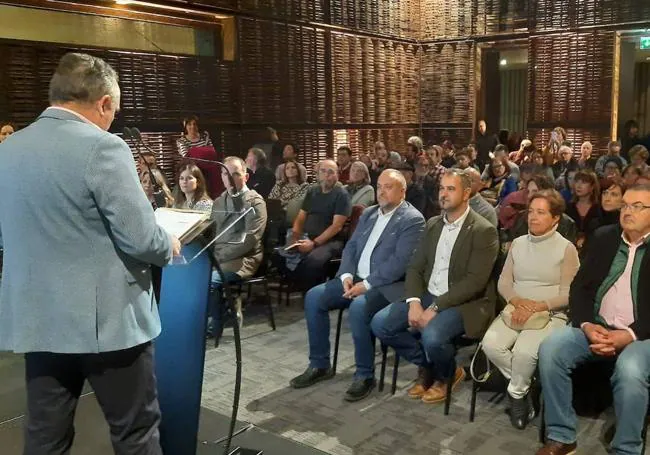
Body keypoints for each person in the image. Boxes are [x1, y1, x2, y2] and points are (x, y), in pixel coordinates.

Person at [0, 52, 181, 453]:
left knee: (45, 435)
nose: (112, 120)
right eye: (112, 111)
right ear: (103, 103)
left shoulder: (8, 151)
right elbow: (141, 238)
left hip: (39, 320)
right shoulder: (103, 147)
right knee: (135, 430)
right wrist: (167, 243)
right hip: (107, 326)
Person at [290, 170, 425, 401]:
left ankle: (364, 375)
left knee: (359, 307)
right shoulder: (369, 213)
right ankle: (320, 364)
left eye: (388, 187)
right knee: (314, 297)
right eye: (379, 186)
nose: (381, 191)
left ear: (402, 191)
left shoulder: (412, 219)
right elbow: (351, 247)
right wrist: (345, 275)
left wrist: (368, 284)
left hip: (386, 286)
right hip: (355, 279)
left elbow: (400, 263)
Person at [535, 183, 650, 455]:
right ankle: (562, 436)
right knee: (551, 348)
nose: (628, 211)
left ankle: (626, 448)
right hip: (596, 326)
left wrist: (629, 335)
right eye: (625, 205)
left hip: (642, 335)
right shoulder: (604, 237)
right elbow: (580, 288)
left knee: (631, 369)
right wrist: (587, 324)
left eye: (637, 206)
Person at [371, 169, 499, 404]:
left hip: (464, 302)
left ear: (467, 193)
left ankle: (447, 375)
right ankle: (429, 365)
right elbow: (415, 268)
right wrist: (414, 303)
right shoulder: (432, 224)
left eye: (451, 189)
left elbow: (475, 282)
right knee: (381, 323)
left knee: (432, 335)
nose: (444, 194)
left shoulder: (483, 230)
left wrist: (436, 307)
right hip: (429, 294)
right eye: (442, 188)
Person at [482, 189, 579, 430]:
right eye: (531, 212)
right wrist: (516, 301)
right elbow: (504, 282)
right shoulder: (517, 243)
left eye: (541, 213)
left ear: (555, 218)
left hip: (550, 312)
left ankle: (516, 395)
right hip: (517, 307)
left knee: (525, 352)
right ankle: (527, 385)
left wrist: (539, 305)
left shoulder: (566, 249)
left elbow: (569, 293)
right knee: (491, 345)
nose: (533, 217)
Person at [208, 156, 267, 343]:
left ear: (246, 177)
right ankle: (227, 307)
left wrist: (218, 257)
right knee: (191, 276)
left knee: (208, 281)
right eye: (225, 174)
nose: (230, 178)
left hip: (243, 258)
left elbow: (250, 239)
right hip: (218, 257)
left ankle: (215, 324)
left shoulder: (255, 201)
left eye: (235, 174)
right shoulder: (219, 202)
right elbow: (212, 233)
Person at [275, 160, 352, 291]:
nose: (326, 175)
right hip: (307, 236)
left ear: (337, 175)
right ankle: (300, 285)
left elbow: (336, 226)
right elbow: (301, 217)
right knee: (279, 255)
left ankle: (312, 294)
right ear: (317, 174)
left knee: (313, 260)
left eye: (331, 172)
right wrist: (295, 236)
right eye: (323, 171)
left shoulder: (342, 195)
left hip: (330, 241)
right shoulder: (312, 191)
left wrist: (314, 243)